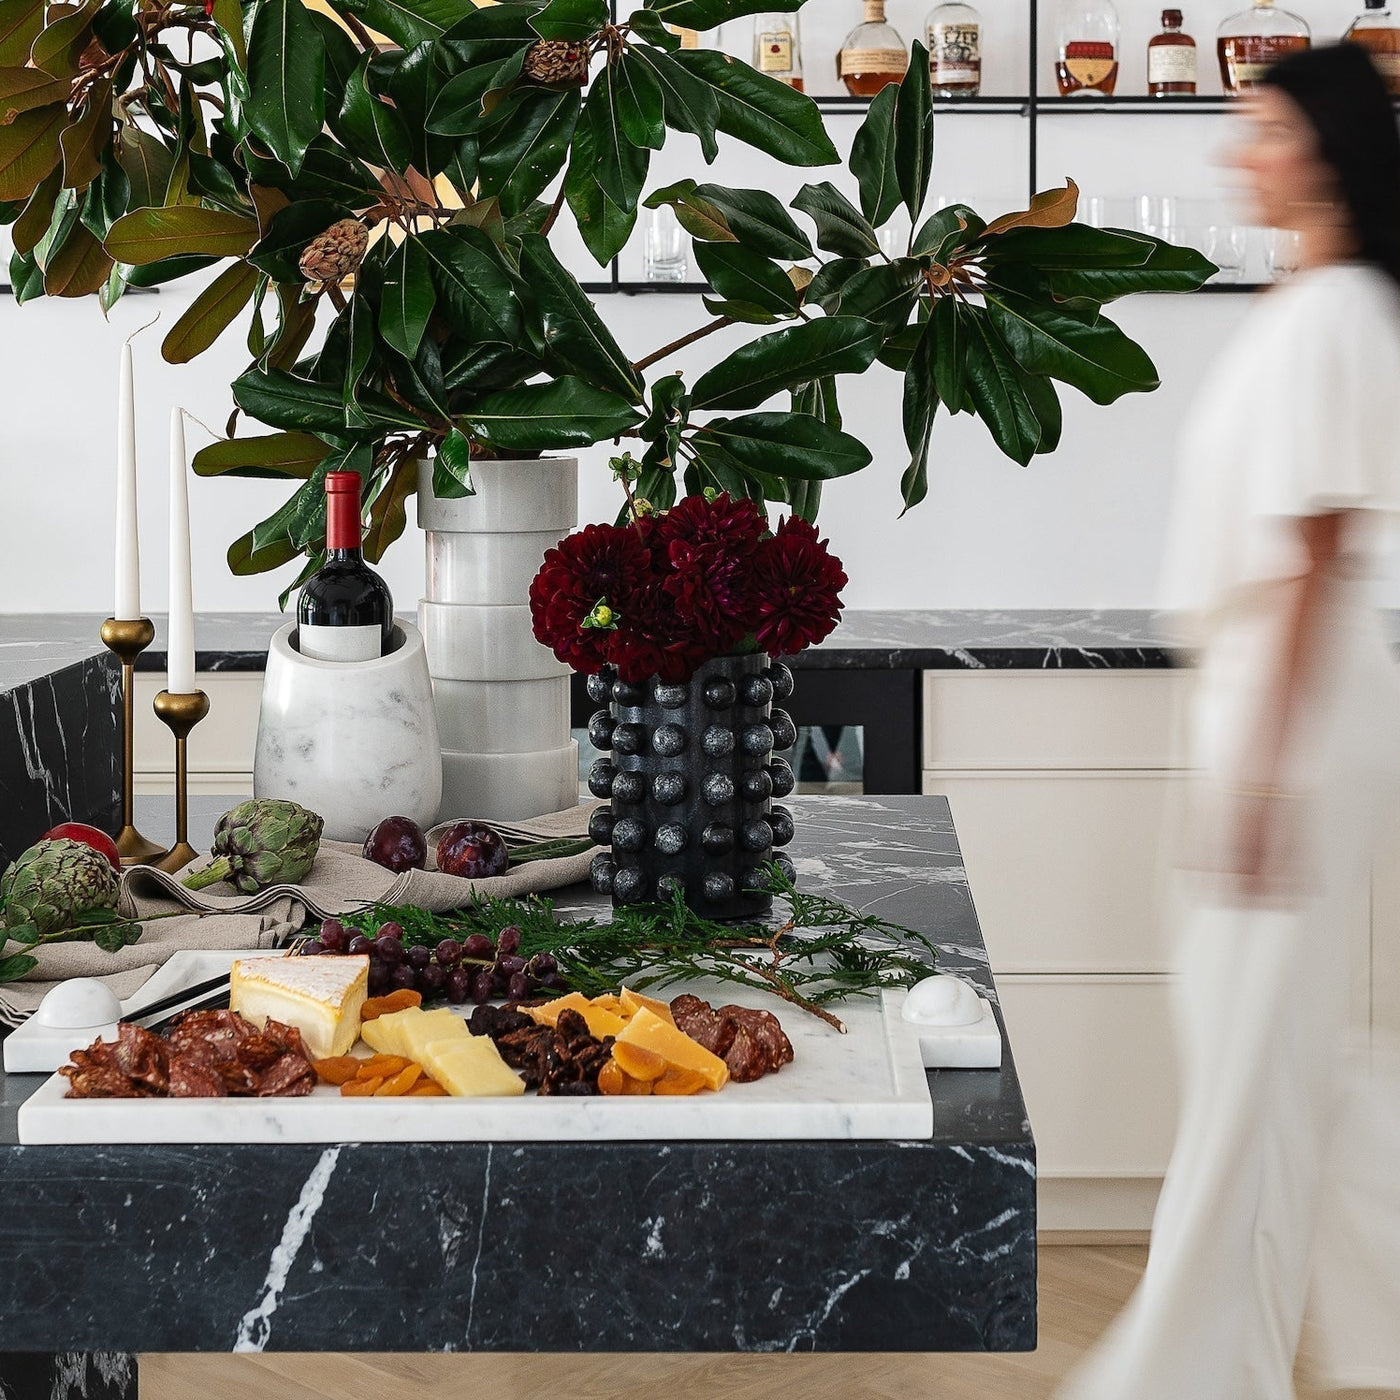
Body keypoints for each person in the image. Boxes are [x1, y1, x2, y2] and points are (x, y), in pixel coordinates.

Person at [1059, 43, 1400, 1400]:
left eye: (1257, 129)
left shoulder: (1336, 317)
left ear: (1320, 149)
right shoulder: (1321, 303)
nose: (1233, 155)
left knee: (1255, 1052)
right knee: (1279, 1045)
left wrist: (1260, 781)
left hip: (1292, 706)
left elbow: (1315, 556)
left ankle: (1190, 1372)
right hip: (1274, 697)